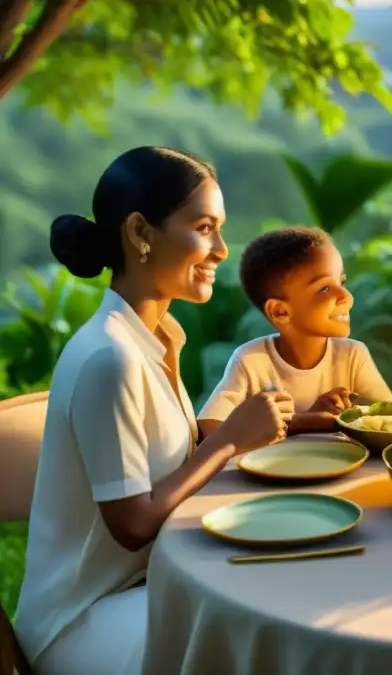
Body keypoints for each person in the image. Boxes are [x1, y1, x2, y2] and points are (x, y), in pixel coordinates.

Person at [14, 148, 295, 674]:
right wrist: (229, 440)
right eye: (205, 227)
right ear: (141, 232)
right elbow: (135, 522)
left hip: (150, 585)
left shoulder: (157, 337)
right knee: (260, 634)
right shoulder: (110, 359)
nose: (220, 249)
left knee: (282, 595)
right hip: (82, 623)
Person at [198, 226, 392, 432]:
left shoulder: (353, 355)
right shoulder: (251, 360)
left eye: (342, 282)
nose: (346, 296)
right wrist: (306, 420)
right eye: (324, 288)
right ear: (280, 311)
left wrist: (347, 414)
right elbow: (209, 426)